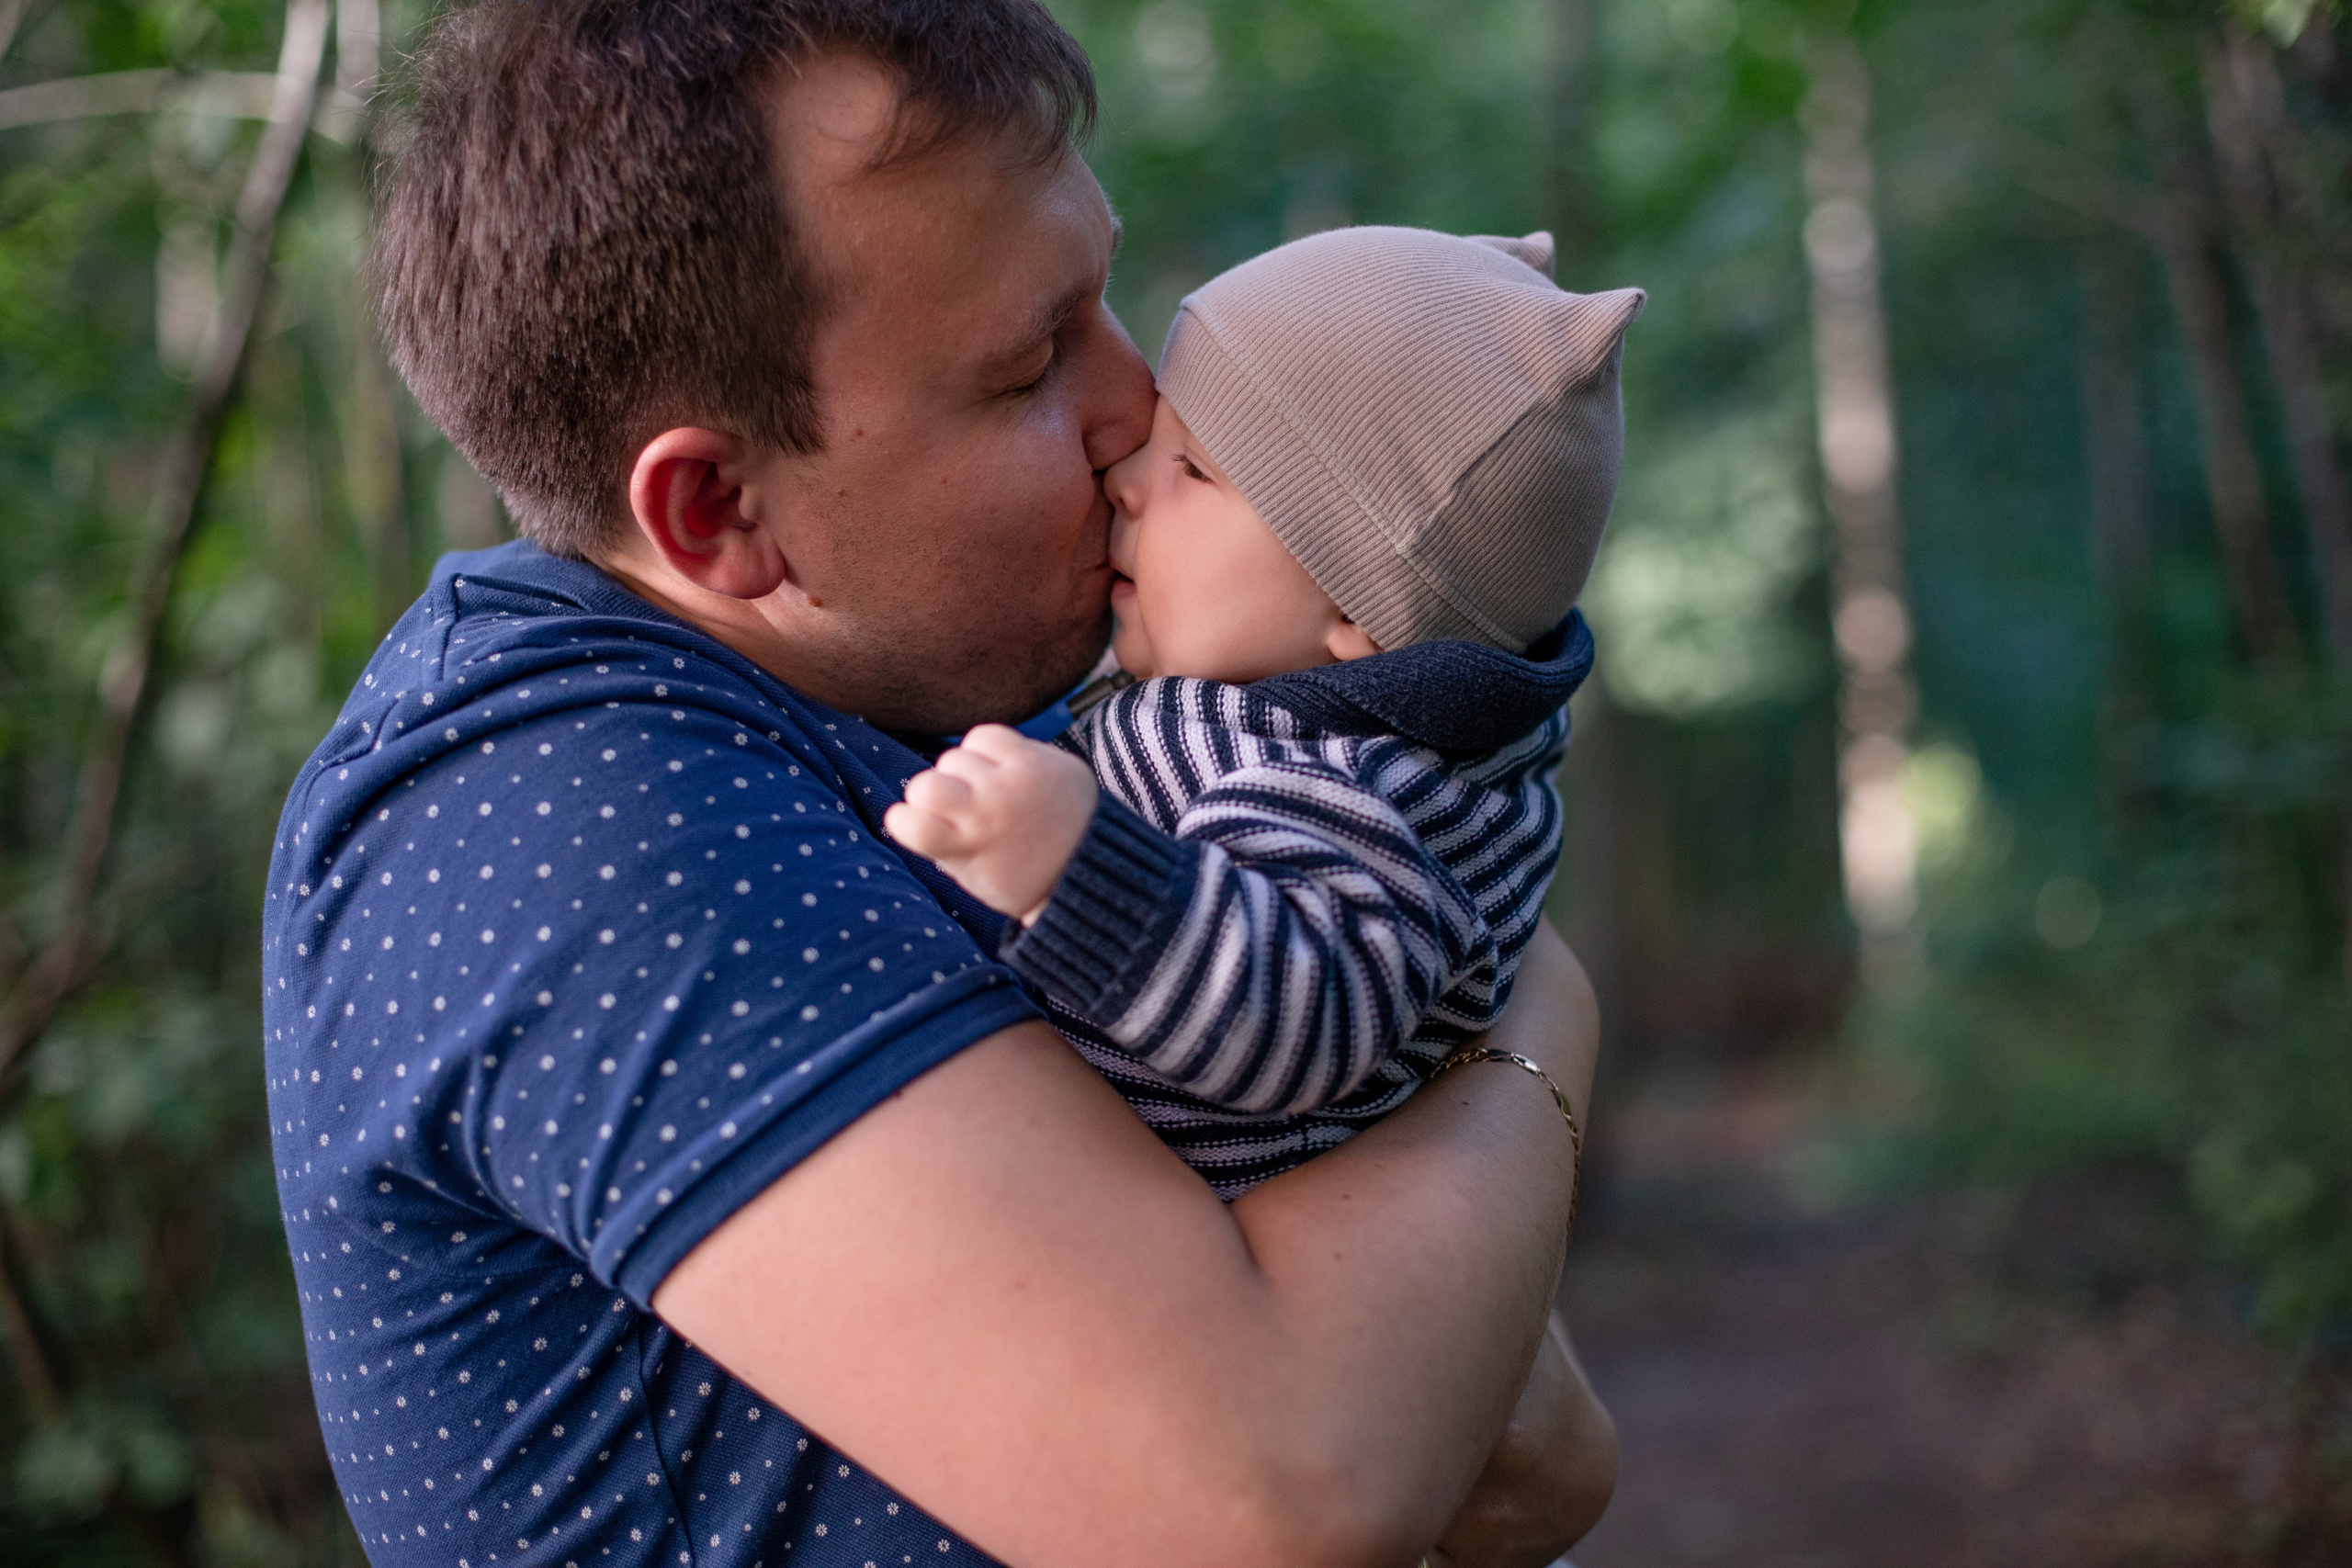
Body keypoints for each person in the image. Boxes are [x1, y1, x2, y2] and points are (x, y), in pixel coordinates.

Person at [263, 4, 1614, 1565]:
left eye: (1104, 299)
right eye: (1032, 363)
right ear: (718, 510)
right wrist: (1538, 1009)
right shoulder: (557, 813)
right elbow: (1287, 1494)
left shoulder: (939, 695)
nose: (1141, 415)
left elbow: (1526, 1454)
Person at [887, 225, 1643, 1198]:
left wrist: (1072, 867)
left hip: (1162, 1269)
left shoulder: (1347, 793)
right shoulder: (1310, 704)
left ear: (1357, 609)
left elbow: (1301, 1023)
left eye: (1192, 471)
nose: (1124, 480)